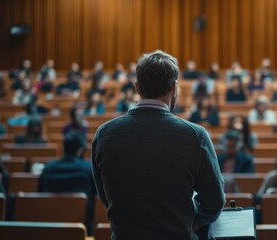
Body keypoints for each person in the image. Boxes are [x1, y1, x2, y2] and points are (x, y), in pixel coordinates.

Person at [92, 50, 225, 239]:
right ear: (174, 88)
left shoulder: (104, 134)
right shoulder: (195, 136)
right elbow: (214, 201)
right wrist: (190, 220)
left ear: (137, 87)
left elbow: (106, 196)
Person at [38, 132, 95, 231]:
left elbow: (40, 193)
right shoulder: (88, 169)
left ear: (64, 148)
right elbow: (95, 195)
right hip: (82, 226)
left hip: (50, 225)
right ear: (80, 151)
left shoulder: (48, 168)